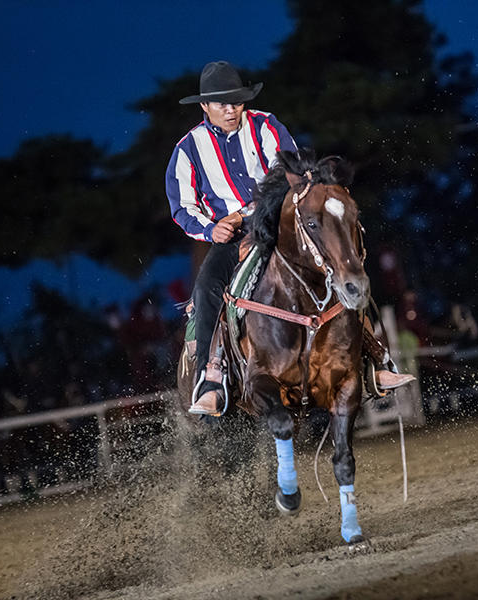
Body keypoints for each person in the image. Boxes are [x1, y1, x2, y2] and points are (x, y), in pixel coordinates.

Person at [167, 61, 414, 416]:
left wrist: (249, 211)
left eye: (236, 101)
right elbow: (183, 207)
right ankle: (212, 378)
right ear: (204, 106)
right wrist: (211, 229)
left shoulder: (266, 126)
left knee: (337, 260)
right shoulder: (188, 150)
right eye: (221, 103)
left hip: (276, 226)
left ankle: (377, 357)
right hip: (230, 238)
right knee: (207, 289)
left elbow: (291, 178)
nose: (230, 109)